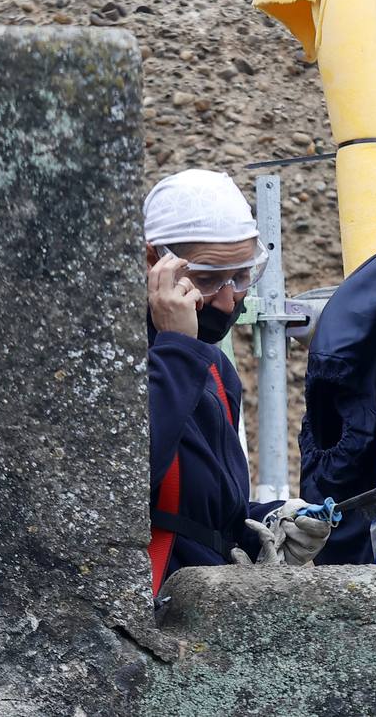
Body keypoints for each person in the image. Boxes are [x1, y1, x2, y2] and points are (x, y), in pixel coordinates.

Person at [143, 169, 332, 596]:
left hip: (208, 605)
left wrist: (271, 521)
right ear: (153, 261)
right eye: (208, 278)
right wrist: (177, 346)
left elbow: (209, 518)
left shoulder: (212, 367)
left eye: (242, 276)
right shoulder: (126, 362)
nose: (229, 300)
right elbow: (123, 483)